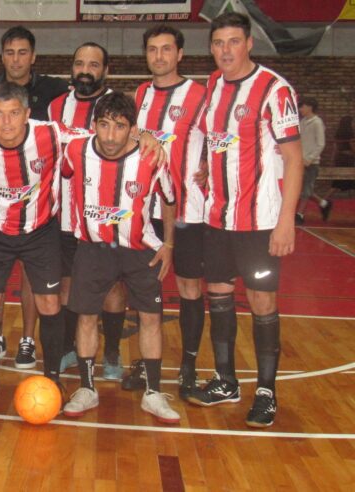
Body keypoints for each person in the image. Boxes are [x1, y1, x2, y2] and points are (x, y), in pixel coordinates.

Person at [187, 12, 303, 428]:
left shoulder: (275, 89)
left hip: (260, 221)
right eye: (218, 43)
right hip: (217, 216)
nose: (225, 51)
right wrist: (206, 166)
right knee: (217, 293)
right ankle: (226, 380)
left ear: (250, 43)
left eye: (234, 42)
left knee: (261, 301)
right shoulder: (213, 85)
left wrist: (286, 221)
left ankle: (267, 391)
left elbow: (294, 160)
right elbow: (220, 142)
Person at [61, 92, 179, 423]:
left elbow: (170, 198)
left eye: (120, 126)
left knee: (151, 317)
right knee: (85, 317)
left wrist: (168, 245)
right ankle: (86, 388)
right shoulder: (74, 150)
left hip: (140, 250)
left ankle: (154, 394)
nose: (111, 136)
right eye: (104, 125)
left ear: (132, 128)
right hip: (92, 248)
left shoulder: (152, 157)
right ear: (93, 125)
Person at [0, 26, 68, 368]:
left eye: (14, 113)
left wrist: (139, 135)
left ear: (28, 114)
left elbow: (98, 138)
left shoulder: (52, 135)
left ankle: (53, 374)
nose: (7, 122)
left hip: (41, 230)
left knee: (49, 303)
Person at [124, 24, 208, 400]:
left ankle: (188, 365)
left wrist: (209, 167)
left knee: (189, 287)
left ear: (180, 54)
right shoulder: (140, 94)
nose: (159, 56)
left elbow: (219, 139)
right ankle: (147, 359)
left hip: (188, 209)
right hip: (145, 210)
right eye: (152, 50)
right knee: (145, 291)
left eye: (166, 49)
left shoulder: (200, 95)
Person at [47, 42, 127, 379]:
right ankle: (68, 349)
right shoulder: (55, 107)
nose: (85, 70)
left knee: (111, 289)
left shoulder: (117, 108)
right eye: (79, 63)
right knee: (66, 288)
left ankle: (111, 353)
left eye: (93, 64)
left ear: (105, 70)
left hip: (107, 219)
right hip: (64, 217)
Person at [295, 97, 328, 223]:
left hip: (311, 162)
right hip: (300, 161)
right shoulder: (303, 122)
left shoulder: (317, 122)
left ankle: (300, 214)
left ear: (310, 107)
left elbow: (320, 144)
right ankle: (324, 204)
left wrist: (309, 158)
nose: (300, 109)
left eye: (302, 106)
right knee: (301, 188)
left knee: (306, 189)